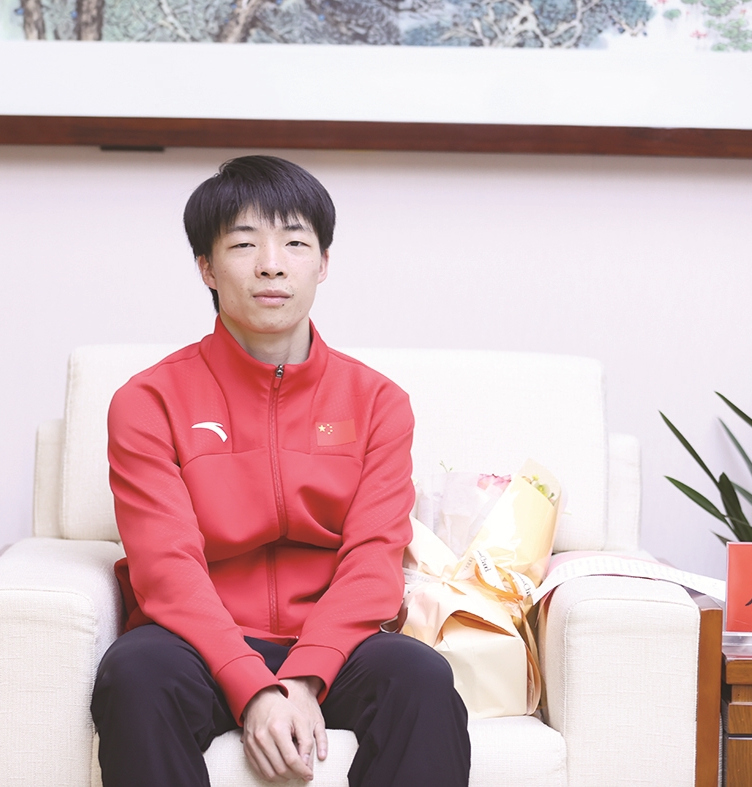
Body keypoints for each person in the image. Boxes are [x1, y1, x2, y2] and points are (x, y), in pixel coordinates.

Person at [91, 155, 470, 787]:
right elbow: (166, 567)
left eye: (295, 242)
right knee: (135, 675)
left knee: (422, 680)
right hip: (196, 643)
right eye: (244, 244)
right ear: (206, 267)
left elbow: (373, 558)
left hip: (337, 644)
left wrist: (303, 676)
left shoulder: (378, 402)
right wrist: (251, 687)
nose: (272, 264)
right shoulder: (148, 401)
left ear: (323, 263)